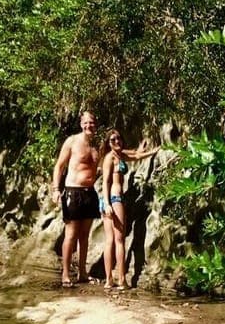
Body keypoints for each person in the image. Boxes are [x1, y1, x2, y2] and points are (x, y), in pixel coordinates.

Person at [100, 128, 159, 290]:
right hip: (113, 199)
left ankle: (109, 280)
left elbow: (137, 155)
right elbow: (105, 182)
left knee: (112, 241)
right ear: (108, 143)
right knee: (118, 241)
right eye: (113, 140)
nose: (117, 141)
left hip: (111, 200)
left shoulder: (120, 155)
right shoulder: (109, 158)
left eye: (118, 138)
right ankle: (121, 280)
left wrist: (153, 151)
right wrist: (107, 203)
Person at [51, 110, 101, 287]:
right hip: (73, 192)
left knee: (85, 236)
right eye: (86, 122)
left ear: (95, 124)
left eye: (92, 123)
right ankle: (65, 274)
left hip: (90, 193)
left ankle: (82, 273)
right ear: (81, 124)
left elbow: (119, 154)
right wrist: (56, 189)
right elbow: (59, 166)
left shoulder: (96, 147)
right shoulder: (72, 141)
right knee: (71, 235)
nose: (89, 126)